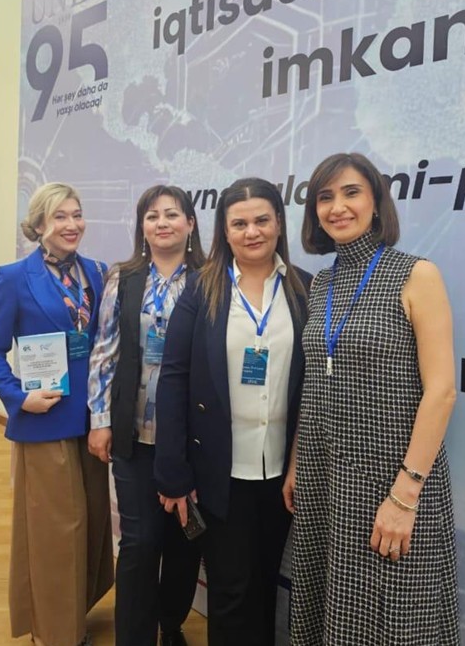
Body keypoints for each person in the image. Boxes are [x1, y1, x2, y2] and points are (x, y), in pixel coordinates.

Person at [283, 152, 460, 645]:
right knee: (330, 607)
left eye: (351, 193)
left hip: (391, 477)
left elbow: (442, 392)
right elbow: (315, 383)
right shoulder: (322, 282)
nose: (337, 207)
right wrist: (297, 462)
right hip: (324, 475)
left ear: (377, 203)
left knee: (393, 617)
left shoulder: (417, 274)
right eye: (325, 197)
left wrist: (404, 496)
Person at [154, 177, 311, 646]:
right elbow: (173, 379)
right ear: (224, 231)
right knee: (230, 590)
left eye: (262, 220)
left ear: (279, 223)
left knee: (265, 584)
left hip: (280, 473)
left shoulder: (303, 288)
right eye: (239, 223)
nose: (252, 232)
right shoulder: (201, 290)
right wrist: (172, 472)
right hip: (219, 473)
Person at [0, 182, 114, 646]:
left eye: (76, 214)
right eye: (59, 217)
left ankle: (73, 612)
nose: (72, 224)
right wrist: (18, 398)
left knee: (92, 524)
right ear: (38, 225)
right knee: (57, 532)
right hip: (44, 419)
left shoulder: (98, 273)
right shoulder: (14, 277)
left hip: (92, 422)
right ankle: (56, 633)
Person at [87, 185, 205, 646]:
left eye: (172, 214)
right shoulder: (125, 277)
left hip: (191, 438)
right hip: (133, 433)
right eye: (152, 216)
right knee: (138, 543)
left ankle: (171, 625)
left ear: (190, 223)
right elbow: (105, 352)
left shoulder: (211, 278)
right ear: (142, 226)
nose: (162, 223)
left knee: (183, 541)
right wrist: (100, 421)